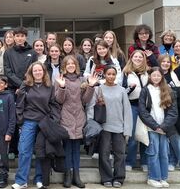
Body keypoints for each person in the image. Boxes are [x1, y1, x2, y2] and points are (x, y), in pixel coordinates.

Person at [12, 61, 57, 189]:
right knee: (24, 150)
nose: (38, 72)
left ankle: (39, 179)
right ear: (31, 73)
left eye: (40, 70)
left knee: (41, 152)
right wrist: (20, 120)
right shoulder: (25, 85)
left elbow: (53, 104)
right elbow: (19, 104)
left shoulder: (49, 86)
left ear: (44, 72)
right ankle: (21, 181)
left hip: (44, 123)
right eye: (35, 70)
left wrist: (54, 119)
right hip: (29, 121)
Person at [54, 55, 97, 188]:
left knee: (76, 150)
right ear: (64, 67)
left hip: (79, 117)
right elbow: (59, 100)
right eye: (68, 64)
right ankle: (67, 175)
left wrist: (90, 86)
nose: (71, 66)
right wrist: (61, 87)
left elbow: (85, 100)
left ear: (76, 66)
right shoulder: (60, 79)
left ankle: (76, 176)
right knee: (67, 148)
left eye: (73, 64)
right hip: (66, 117)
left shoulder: (82, 79)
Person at [86, 66, 132, 188]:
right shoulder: (98, 89)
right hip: (103, 126)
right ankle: (106, 177)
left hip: (119, 126)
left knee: (120, 153)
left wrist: (127, 129)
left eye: (113, 74)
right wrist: (90, 123)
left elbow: (127, 111)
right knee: (104, 153)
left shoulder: (122, 90)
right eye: (108, 74)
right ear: (104, 75)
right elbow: (91, 106)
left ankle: (119, 178)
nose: (111, 76)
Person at [138, 67, 178, 188]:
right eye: (153, 75)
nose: (156, 77)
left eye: (158, 75)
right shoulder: (145, 90)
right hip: (152, 128)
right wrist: (155, 126)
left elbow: (173, 112)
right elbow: (142, 111)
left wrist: (163, 126)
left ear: (162, 77)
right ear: (150, 77)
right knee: (153, 153)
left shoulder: (169, 91)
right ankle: (153, 177)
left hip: (165, 129)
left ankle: (163, 177)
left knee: (164, 153)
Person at [158, 54, 180, 174]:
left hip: (174, 111)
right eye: (163, 62)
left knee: (176, 138)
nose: (166, 64)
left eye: (168, 62)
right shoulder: (155, 75)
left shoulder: (175, 75)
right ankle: (172, 161)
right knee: (167, 140)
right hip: (159, 111)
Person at [122, 50, 150, 172]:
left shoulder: (148, 72)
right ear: (131, 58)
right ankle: (130, 161)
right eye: (135, 56)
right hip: (132, 105)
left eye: (140, 57)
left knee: (144, 133)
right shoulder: (126, 72)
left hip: (146, 106)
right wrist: (130, 89)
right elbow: (122, 91)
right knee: (132, 135)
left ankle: (145, 161)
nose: (138, 59)